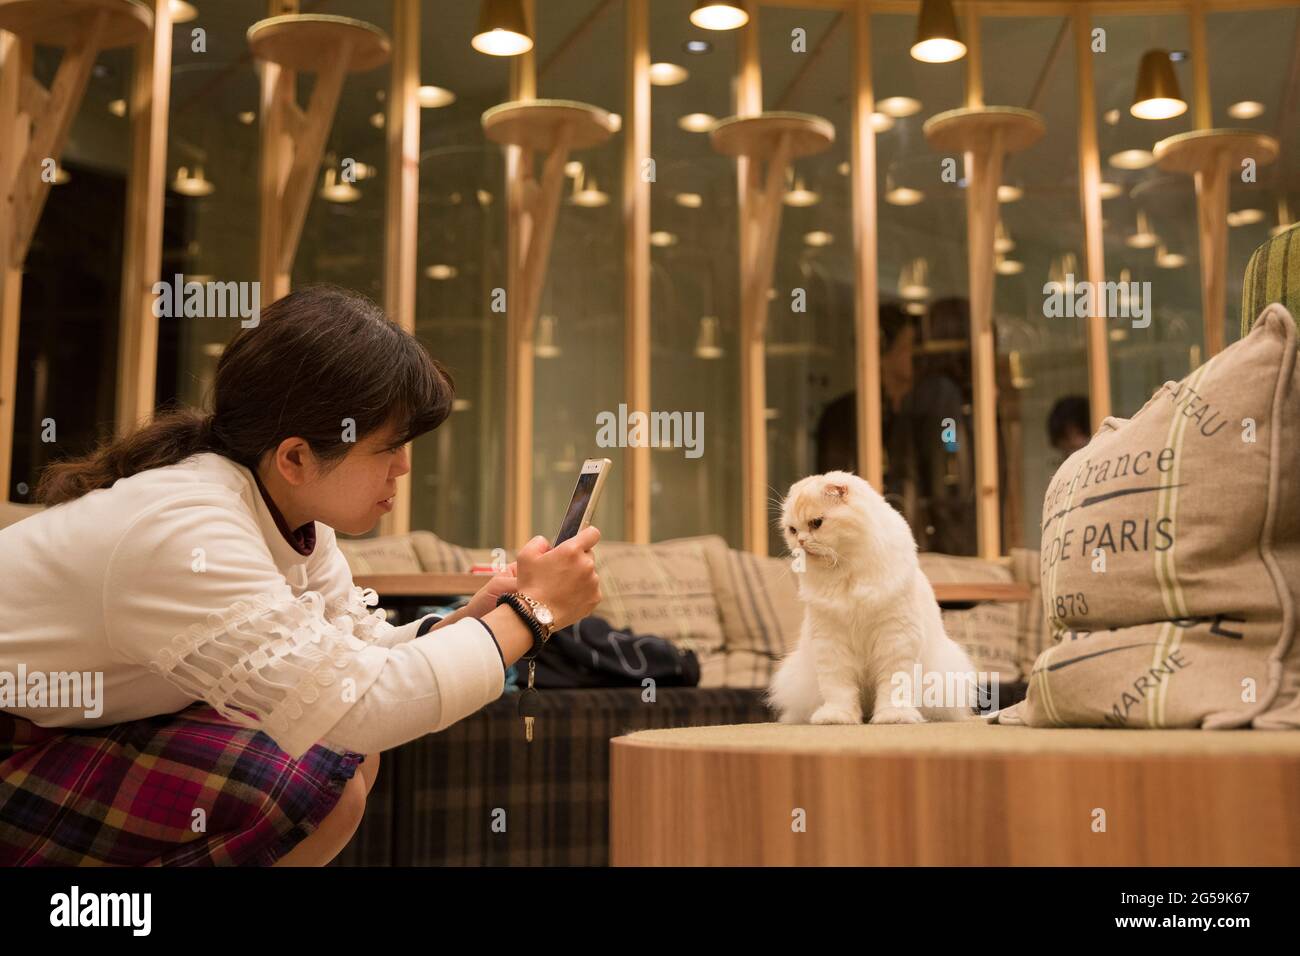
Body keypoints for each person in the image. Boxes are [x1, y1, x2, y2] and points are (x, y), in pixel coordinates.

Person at [0, 285, 601, 866]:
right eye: (388, 447)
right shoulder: (187, 531)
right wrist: (530, 616)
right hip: (17, 742)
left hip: (67, 723)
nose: (404, 467)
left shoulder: (285, 513)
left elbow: (345, 659)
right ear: (295, 458)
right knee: (321, 770)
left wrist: (472, 621)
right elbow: (357, 703)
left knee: (341, 757)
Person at [815, 302, 975, 555]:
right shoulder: (844, 416)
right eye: (908, 348)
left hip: (924, 548)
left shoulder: (924, 406)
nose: (917, 356)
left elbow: (947, 460)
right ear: (881, 352)